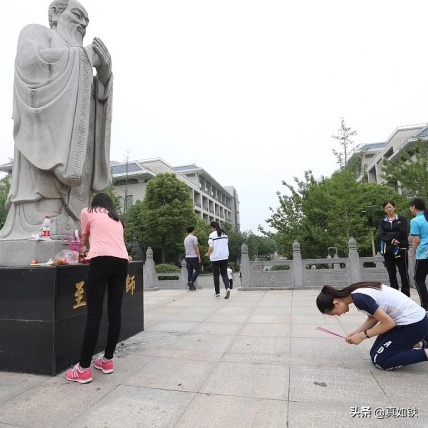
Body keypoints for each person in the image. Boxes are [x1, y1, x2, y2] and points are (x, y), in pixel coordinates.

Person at [0, 0, 112, 240]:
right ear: (54, 13)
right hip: (43, 135)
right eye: (78, 15)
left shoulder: (80, 58)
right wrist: (83, 56)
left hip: (76, 150)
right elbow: (29, 64)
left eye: (87, 21)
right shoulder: (36, 32)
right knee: (43, 200)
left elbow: (91, 106)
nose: (83, 23)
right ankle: (38, 217)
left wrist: (103, 79)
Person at [66, 193, 131, 384]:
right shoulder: (117, 219)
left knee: (94, 315)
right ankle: (107, 361)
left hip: (101, 261)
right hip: (121, 262)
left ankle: (84, 368)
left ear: (95, 203)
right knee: (115, 313)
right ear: (109, 205)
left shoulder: (88, 211)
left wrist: (86, 250)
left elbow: (85, 238)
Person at [316, 282, 428, 370]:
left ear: (336, 303)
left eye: (334, 313)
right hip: (409, 322)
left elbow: (389, 323)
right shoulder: (355, 292)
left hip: (413, 325)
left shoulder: (360, 298)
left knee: (381, 360)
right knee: (374, 353)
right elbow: (373, 317)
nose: (339, 315)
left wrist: (362, 336)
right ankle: (419, 343)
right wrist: (356, 332)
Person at [378, 200, 410, 297]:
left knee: (403, 273)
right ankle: (395, 296)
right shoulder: (382, 221)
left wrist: (394, 238)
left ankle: (405, 295)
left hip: (401, 248)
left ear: (394, 207)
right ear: (384, 210)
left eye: (390, 207)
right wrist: (392, 240)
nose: (388, 209)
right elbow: (381, 235)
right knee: (391, 273)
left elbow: (404, 231)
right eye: (386, 208)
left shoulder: (402, 219)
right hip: (388, 250)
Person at [409, 197, 428, 310]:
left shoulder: (415, 221)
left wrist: (413, 252)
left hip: (424, 254)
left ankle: (425, 306)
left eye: (410, 207)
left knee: (419, 279)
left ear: (414, 207)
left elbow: (416, 240)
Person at [206, 221, 230, 299]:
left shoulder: (212, 235)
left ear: (213, 227)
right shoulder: (224, 234)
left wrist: (208, 254)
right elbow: (226, 244)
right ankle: (227, 288)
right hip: (224, 257)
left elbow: (211, 247)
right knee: (224, 274)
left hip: (215, 258)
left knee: (216, 276)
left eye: (211, 228)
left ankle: (217, 293)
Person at [184, 226, 201, 291]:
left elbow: (185, 249)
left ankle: (190, 286)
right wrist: (199, 256)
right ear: (193, 230)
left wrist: (186, 256)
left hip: (187, 257)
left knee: (190, 271)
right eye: (195, 230)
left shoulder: (185, 238)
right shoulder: (194, 238)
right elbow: (196, 247)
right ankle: (191, 282)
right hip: (193, 256)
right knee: (198, 270)